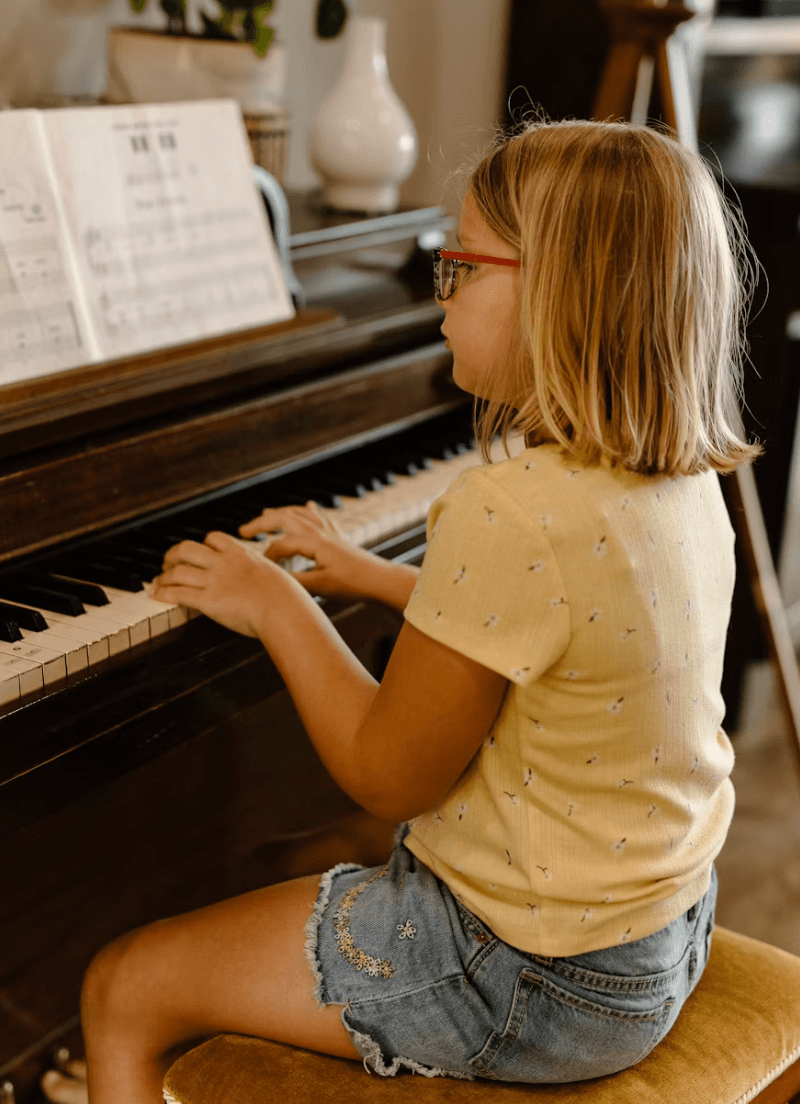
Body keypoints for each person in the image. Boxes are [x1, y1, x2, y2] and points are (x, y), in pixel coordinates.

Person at [51, 117, 762, 1103]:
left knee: (122, 981)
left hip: (524, 984)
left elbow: (386, 774)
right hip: (649, 939)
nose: (440, 302)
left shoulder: (505, 511)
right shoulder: (674, 480)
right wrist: (374, 576)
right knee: (293, 854)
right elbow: (561, 635)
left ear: (554, 289)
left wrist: (278, 603)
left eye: (457, 268)